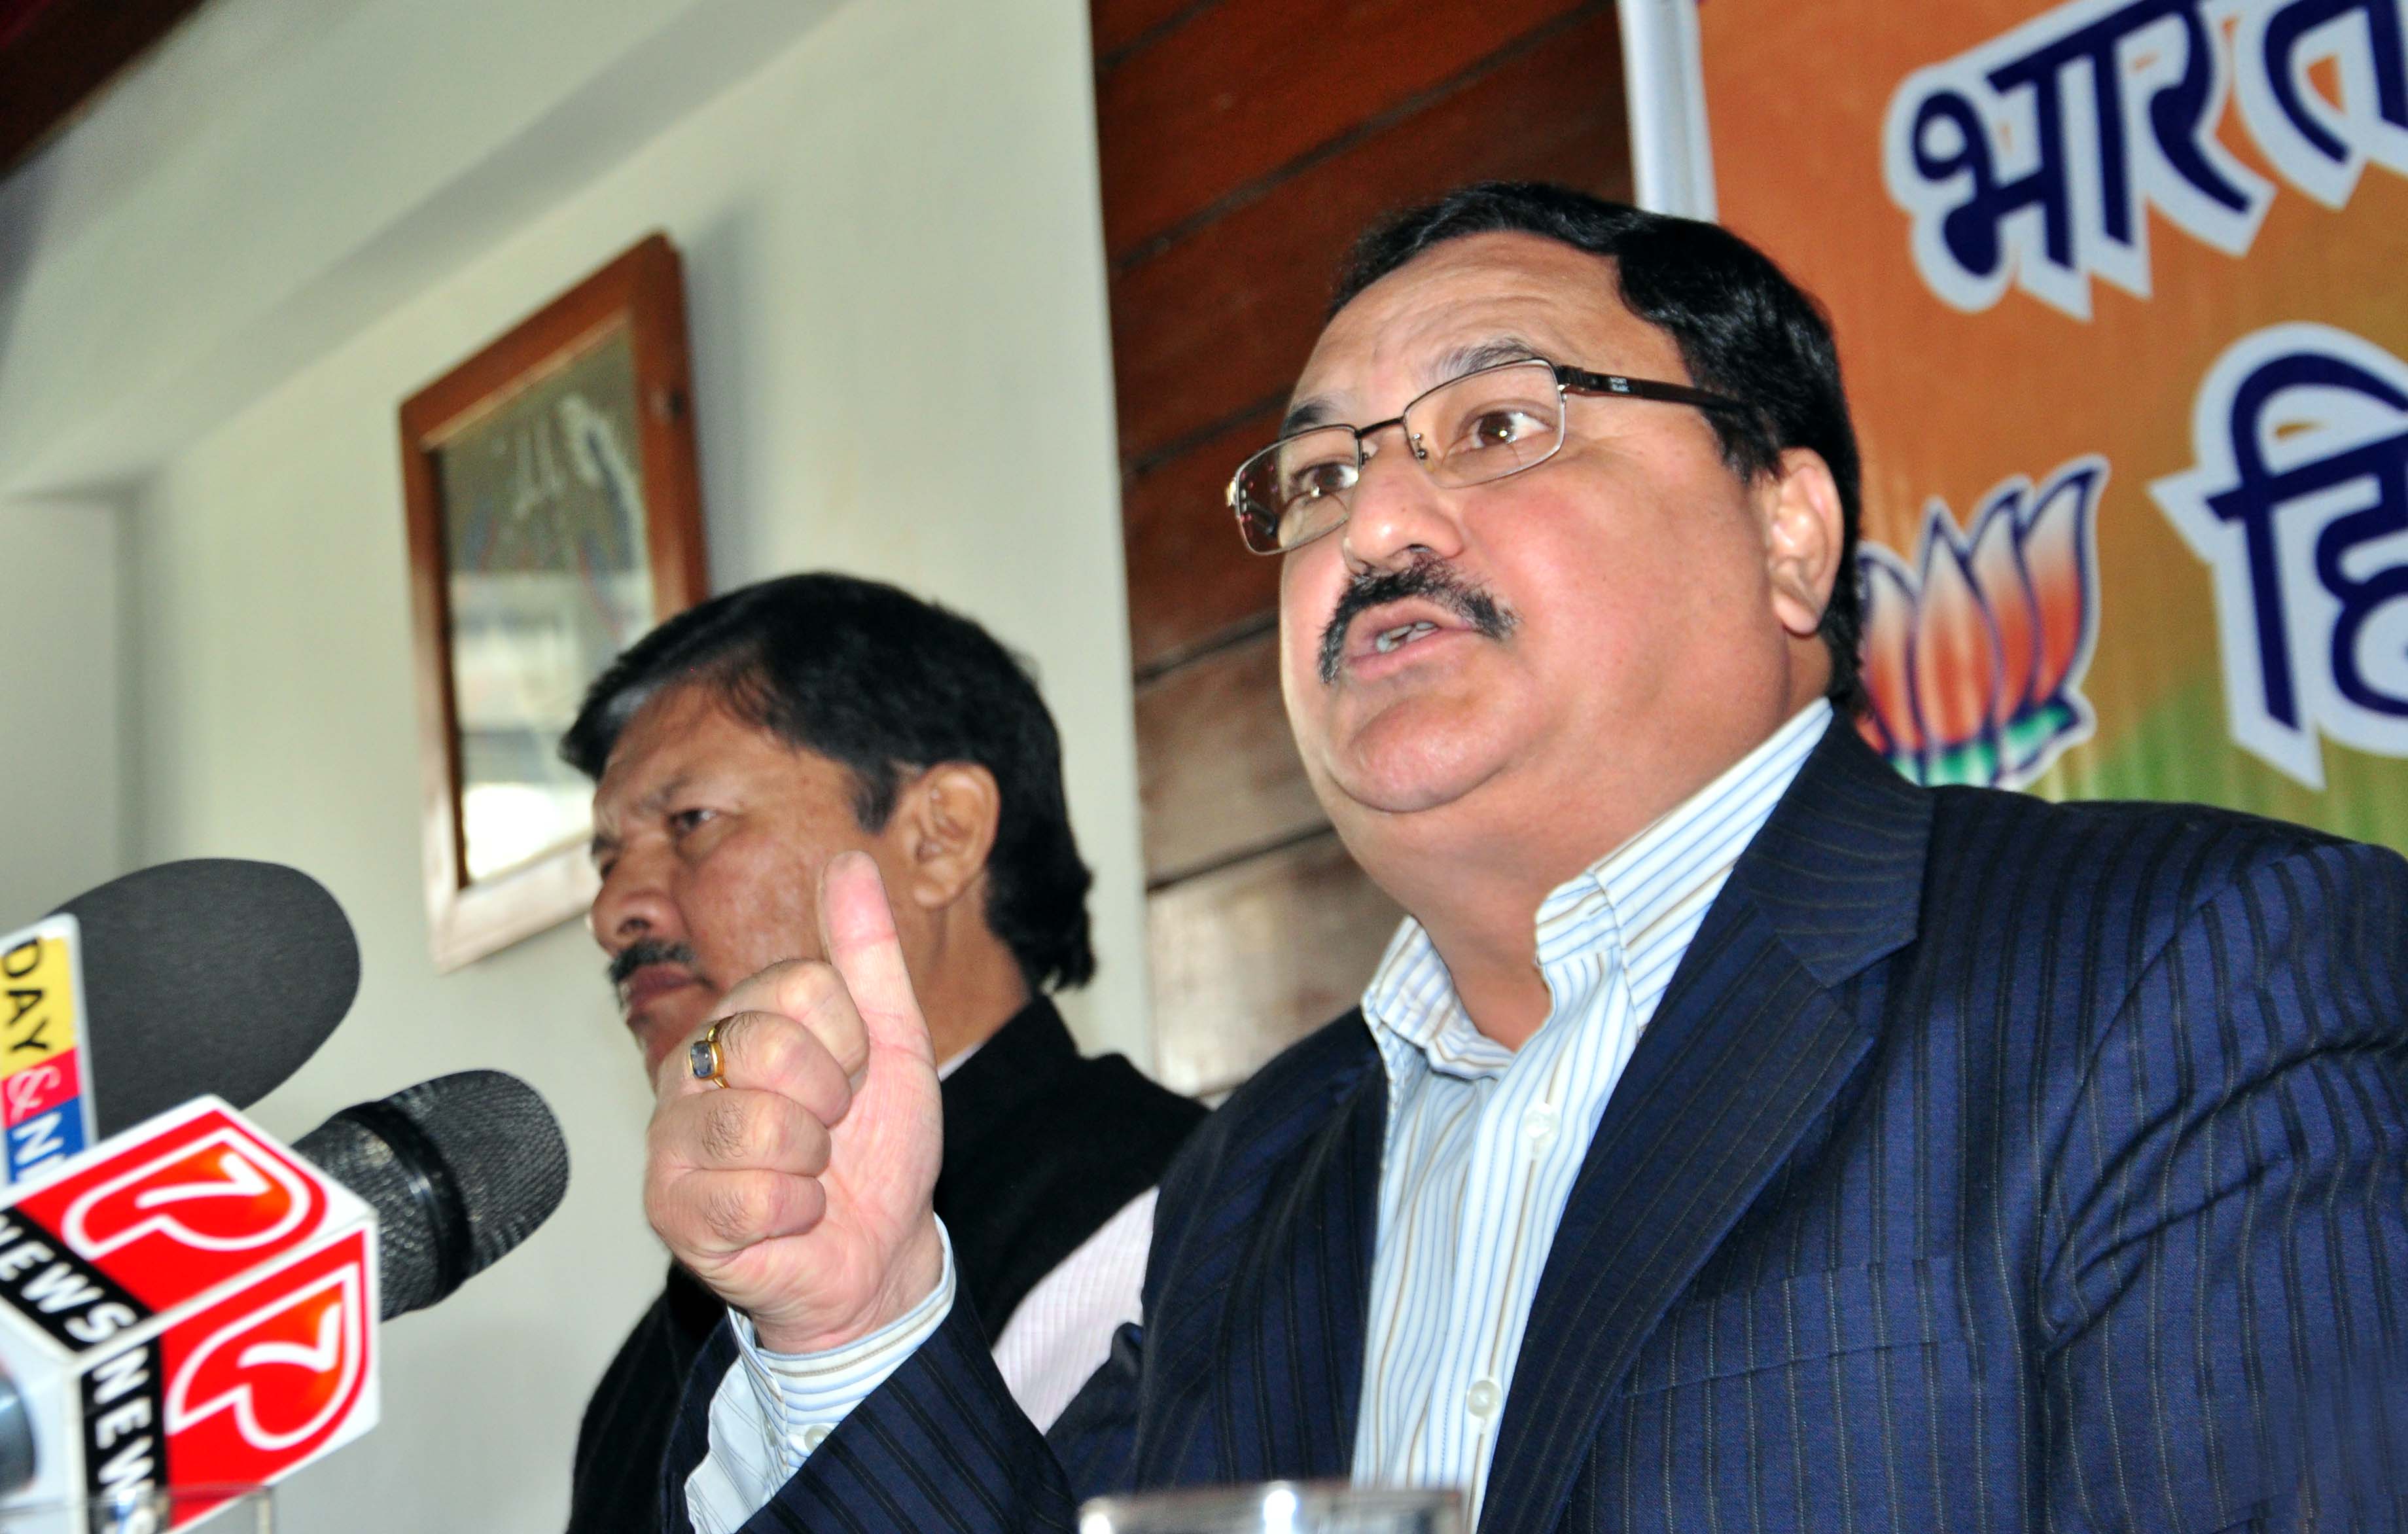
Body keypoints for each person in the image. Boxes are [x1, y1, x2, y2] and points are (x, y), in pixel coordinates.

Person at [641, 187, 2408, 1531]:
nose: (1377, 523)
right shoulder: (1258, 1169)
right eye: (1317, 479)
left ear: (1790, 534)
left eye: (1498, 427)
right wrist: (856, 1315)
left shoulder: (2184, 969)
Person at [558, 573, 1204, 1534]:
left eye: (691, 823)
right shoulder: (643, 1361)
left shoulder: (1180, 1220)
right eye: (608, 861)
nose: (617, 913)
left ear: (941, 835)